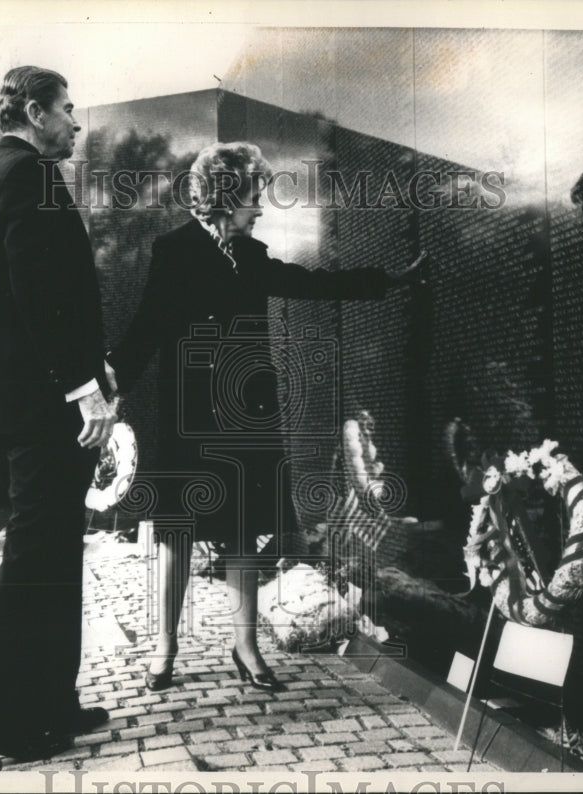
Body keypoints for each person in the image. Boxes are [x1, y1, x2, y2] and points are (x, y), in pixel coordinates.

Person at [107, 142, 424, 693]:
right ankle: (165, 646)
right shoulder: (174, 250)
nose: (261, 209)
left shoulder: (251, 257)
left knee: (239, 533)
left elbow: (311, 284)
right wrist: (108, 385)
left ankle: (246, 647)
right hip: (189, 419)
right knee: (178, 532)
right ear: (228, 198)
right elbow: (147, 328)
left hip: (247, 418)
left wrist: (387, 281)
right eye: (255, 197)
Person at [0, 65, 118, 760]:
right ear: (34, 111)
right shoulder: (27, 176)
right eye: (67, 109)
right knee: (36, 554)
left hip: (28, 397)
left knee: (50, 551)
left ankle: (49, 702)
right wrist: (81, 383)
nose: (76, 123)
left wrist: (93, 364)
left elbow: (41, 296)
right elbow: (38, 293)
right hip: (45, 402)